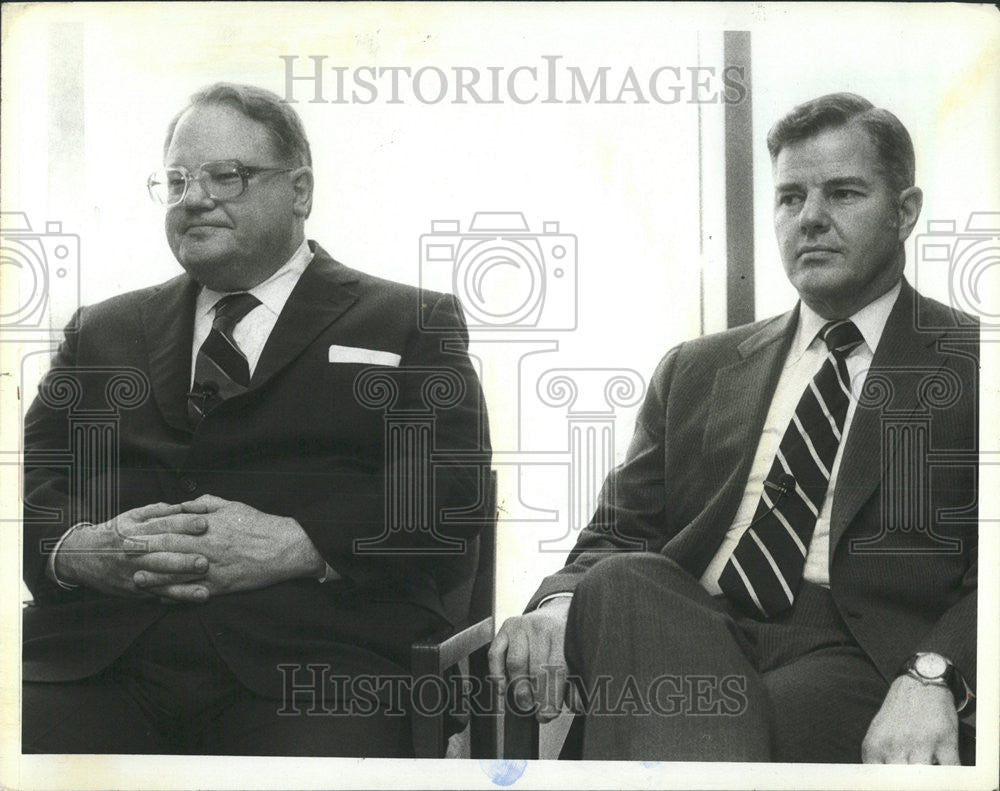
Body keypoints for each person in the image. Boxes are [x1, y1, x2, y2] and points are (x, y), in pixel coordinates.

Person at [490, 92, 977, 764]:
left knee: (698, 722)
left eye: (842, 193)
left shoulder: (976, 363)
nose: (810, 219)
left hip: (851, 652)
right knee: (623, 578)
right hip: (686, 623)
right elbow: (618, 532)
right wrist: (559, 604)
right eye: (789, 198)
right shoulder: (698, 367)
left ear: (906, 211)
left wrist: (934, 671)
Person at [22, 83, 491, 756]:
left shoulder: (410, 323)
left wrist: (303, 542)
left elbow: (450, 496)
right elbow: (25, 482)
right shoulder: (102, 330)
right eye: (178, 179)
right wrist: (76, 549)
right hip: (93, 663)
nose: (194, 198)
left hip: (316, 671)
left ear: (299, 190)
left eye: (227, 176)